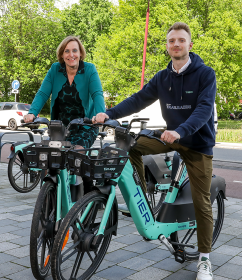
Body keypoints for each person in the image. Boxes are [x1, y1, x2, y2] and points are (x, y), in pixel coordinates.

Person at [93, 22, 216, 280]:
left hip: (197, 144)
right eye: (172, 41)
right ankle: (142, 199)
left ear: (189, 45)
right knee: (131, 145)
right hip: (171, 137)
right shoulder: (163, 77)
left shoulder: (205, 74)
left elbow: (204, 110)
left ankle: (204, 259)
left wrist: (182, 130)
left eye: (181, 40)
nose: (176, 45)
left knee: (201, 202)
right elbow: (138, 99)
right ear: (168, 46)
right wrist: (110, 114)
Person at [24, 36, 106, 190]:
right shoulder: (55, 69)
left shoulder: (89, 70)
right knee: (51, 160)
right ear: (62, 55)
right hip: (60, 126)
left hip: (85, 126)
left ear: (80, 53)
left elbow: (97, 94)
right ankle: (49, 199)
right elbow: (43, 93)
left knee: (77, 156)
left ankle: (91, 194)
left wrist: (101, 114)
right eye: (67, 51)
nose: (71, 55)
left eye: (75, 50)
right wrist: (32, 113)